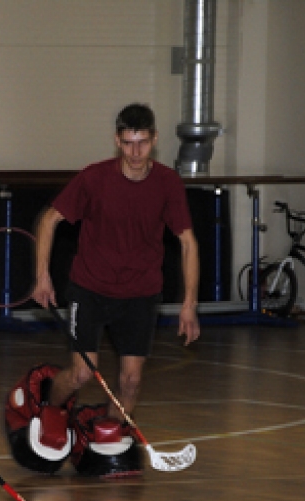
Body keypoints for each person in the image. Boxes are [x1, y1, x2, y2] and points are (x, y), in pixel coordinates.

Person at [31, 103, 200, 422]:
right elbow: (49, 220)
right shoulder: (94, 178)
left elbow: (188, 243)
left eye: (143, 142)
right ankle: (46, 412)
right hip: (90, 288)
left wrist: (189, 304)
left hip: (140, 293)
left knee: (131, 381)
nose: (135, 152)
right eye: (127, 143)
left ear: (155, 139)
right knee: (82, 373)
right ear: (116, 141)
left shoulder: (168, 183)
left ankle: (109, 439)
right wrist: (42, 276)